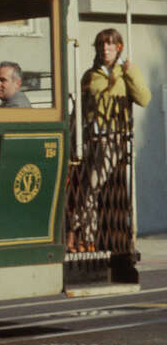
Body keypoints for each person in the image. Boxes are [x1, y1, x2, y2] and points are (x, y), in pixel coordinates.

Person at [69, 29, 150, 253]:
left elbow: (144, 98)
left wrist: (130, 72)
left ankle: (76, 231)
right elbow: (80, 109)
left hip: (114, 138)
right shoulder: (90, 75)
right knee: (87, 188)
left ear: (119, 48)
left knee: (93, 187)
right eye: (102, 45)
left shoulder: (126, 74)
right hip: (92, 139)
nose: (105, 49)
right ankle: (87, 237)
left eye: (110, 45)